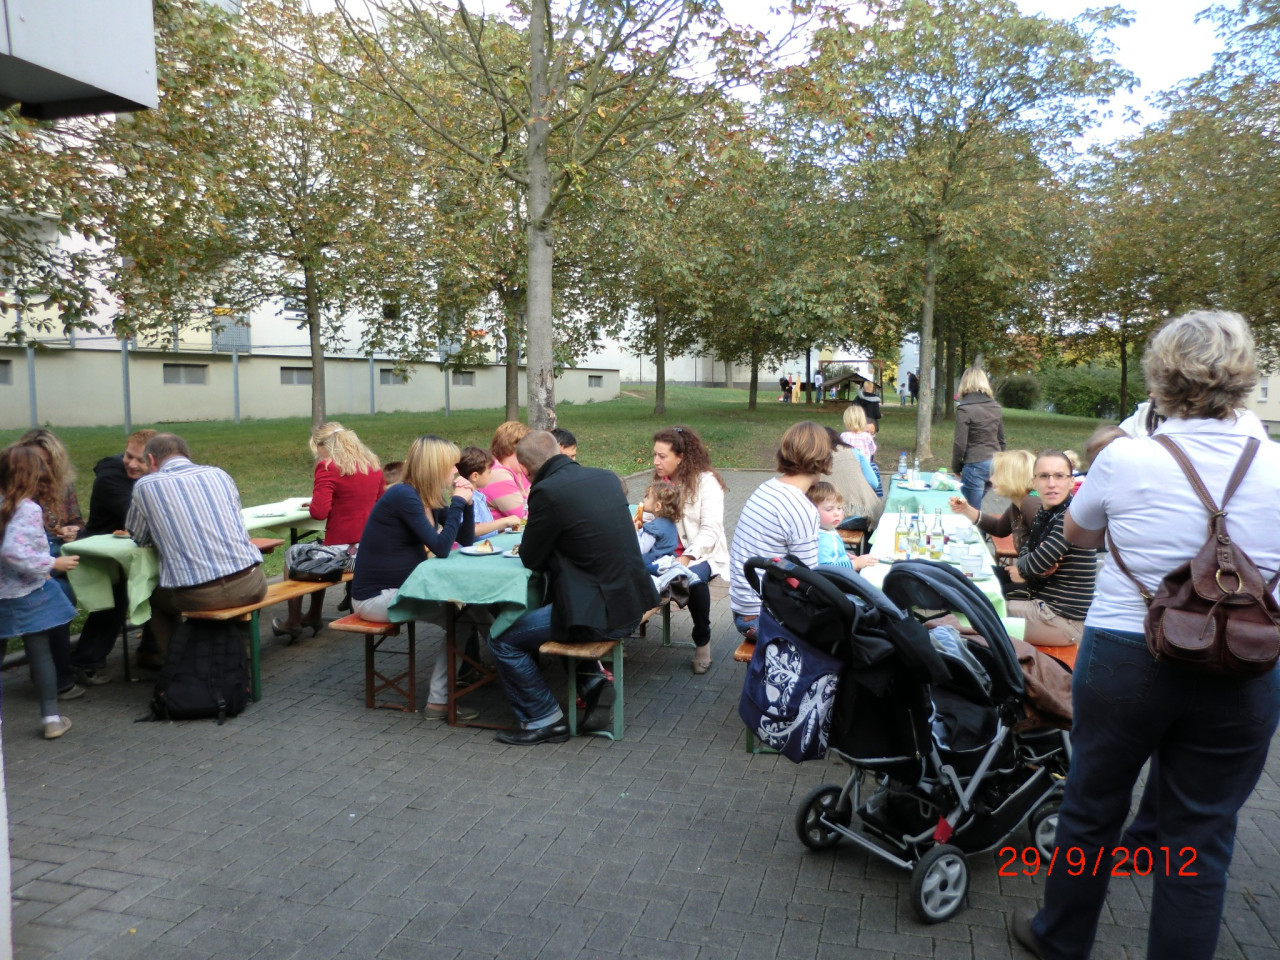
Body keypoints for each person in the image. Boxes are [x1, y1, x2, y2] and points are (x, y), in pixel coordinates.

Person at [1014, 310, 1280, 960]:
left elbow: (1077, 535)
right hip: (1248, 662)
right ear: (1246, 379)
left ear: (1159, 376)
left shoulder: (1128, 457)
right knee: (1201, 838)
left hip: (1127, 656)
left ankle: (1060, 938)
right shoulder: (1276, 464)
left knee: (1091, 808)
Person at [488, 432, 658, 744]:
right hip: (634, 601)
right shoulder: (605, 478)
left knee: (503, 640)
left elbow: (531, 558)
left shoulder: (547, 491)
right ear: (561, 452)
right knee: (561, 611)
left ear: (526, 470)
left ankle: (544, 719)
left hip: (600, 615)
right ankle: (592, 684)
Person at [350, 435, 477, 721]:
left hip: (400, 590)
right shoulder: (403, 496)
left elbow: (465, 540)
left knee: (468, 615)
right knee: (463, 618)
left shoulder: (424, 497)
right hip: (375, 597)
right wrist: (458, 502)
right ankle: (440, 701)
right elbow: (442, 548)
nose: (456, 471)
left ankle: (485, 675)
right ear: (435, 467)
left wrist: (466, 505)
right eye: (451, 465)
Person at [125, 433, 268, 659]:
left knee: (151, 594)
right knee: (240, 591)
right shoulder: (219, 474)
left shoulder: (145, 486)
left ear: (151, 460)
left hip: (198, 595)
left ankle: (177, 664)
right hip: (251, 583)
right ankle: (243, 654)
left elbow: (139, 537)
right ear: (186, 454)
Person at [273, 422, 383, 641]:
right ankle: (313, 615)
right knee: (317, 550)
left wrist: (317, 501)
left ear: (324, 445)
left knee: (294, 555)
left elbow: (319, 512)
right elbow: (380, 503)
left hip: (344, 554)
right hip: (370, 550)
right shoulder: (372, 464)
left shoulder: (328, 467)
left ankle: (294, 621)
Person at [0, 445, 79, 739]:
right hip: (28, 593)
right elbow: (14, 551)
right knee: (40, 654)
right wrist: (51, 562)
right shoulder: (28, 509)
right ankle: (51, 718)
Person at [69, 428, 158, 684]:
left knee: (161, 585)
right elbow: (136, 514)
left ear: (153, 459)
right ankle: (85, 662)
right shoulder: (110, 477)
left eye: (139, 460)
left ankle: (153, 651)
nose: (131, 463)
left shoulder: (157, 474)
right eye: (127, 456)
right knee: (115, 597)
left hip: (138, 550)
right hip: (101, 550)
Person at [729, 422, 831, 641]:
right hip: (761, 615)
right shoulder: (801, 507)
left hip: (743, 607)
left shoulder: (768, 487)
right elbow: (811, 583)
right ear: (823, 458)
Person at [994, 450, 1096, 647]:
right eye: (1044, 476)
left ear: (1071, 481)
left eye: (1059, 476)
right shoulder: (1045, 513)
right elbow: (1026, 551)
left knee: (980, 614)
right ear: (1034, 482)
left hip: (1063, 622)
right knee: (977, 604)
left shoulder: (1071, 516)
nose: (1051, 484)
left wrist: (1029, 567)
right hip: (1042, 608)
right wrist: (1031, 564)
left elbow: (1032, 565)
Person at [651, 425, 730, 673]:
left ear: (681, 457)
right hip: (665, 552)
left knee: (692, 578)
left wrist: (686, 557)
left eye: (662, 456)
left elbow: (711, 530)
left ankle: (702, 640)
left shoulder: (706, 482)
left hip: (703, 553)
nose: (656, 461)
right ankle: (621, 631)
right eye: (654, 455)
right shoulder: (661, 483)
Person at [20, 428, 86, 699]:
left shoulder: (62, 485)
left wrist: (72, 529)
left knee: (107, 580)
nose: (41, 468)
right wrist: (50, 565)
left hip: (60, 550)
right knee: (59, 594)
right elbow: (17, 547)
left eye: (47, 461)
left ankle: (86, 661)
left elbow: (77, 522)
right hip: (33, 560)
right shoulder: (16, 490)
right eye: (36, 460)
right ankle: (58, 678)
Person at [949, 449, 1038, 601]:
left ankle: (962, 624)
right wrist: (966, 510)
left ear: (1012, 477)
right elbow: (999, 528)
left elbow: (1053, 549)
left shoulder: (1032, 504)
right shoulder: (1018, 504)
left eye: (996, 474)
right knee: (965, 578)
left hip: (1040, 586)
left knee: (981, 595)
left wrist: (1025, 572)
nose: (990, 479)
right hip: (1028, 576)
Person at [951, 366, 1005, 511]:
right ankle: (982, 530)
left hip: (975, 464)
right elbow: (1001, 440)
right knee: (975, 510)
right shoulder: (995, 407)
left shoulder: (965, 409)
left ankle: (978, 532)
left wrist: (956, 467)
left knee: (970, 512)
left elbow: (959, 444)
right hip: (993, 464)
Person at [806, 481, 878, 573]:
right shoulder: (821, 540)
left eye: (839, 508)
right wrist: (855, 564)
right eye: (829, 509)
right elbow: (826, 568)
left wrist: (848, 558)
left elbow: (835, 554)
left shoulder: (829, 530)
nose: (837, 513)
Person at [456, 446, 524, 541]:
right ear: (475, 476)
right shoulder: (470, 498)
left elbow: (488, 528)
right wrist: (505, 521)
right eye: (488, 472)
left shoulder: (479, 496)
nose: (491, 476)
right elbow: (473, 530)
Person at [823, 428, 883, 525]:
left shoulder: (815, 457)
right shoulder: (854, 451)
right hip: (864, 512)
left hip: (830, 517)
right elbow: (874, 483)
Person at [484, 421, 532, 519]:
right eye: (528, 450)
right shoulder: (497, 474)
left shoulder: (520, 472)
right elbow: (522, 517)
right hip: (499, 533)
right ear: (511, 449)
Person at [635, 481, 683, 575]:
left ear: (657, 506)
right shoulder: (670, 523)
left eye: (647, 497)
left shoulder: (654, 528)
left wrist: (636, 532)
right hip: (669, 560)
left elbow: (642, 548)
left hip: (654, 563)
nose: (644, 500)